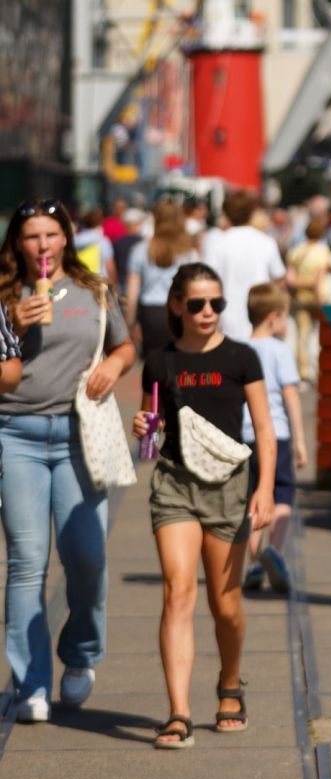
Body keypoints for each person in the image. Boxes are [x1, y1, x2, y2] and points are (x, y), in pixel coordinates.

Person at [0, 198, 136, 723]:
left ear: (67, 238)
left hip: (81, 437)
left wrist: (114, 367)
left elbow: (123, 345)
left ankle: (80, 654)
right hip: (17, 435)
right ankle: (30, 682)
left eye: (51, 236)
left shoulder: (94, 291)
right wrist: (10, 324)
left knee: (87, 557)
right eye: (32, 237)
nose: (42, 247)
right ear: (17, 242)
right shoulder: (4, 294)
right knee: (26, 562)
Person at [133, 262, 276, 748]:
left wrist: (266, 489)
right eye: (197, 304)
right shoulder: (159, 361)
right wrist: (143, 430)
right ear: (177, 306)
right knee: (177, 593)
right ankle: (178, 712)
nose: (208, 312)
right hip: (175, 483)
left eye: (217, 303)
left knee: (226, 605)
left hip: (229, 488)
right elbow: (151, 438)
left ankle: (230, 682)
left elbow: (264, 429)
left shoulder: (242, 358)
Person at [240, 283, 307, 594]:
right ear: (272, 317)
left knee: (252, 498)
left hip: (244, 435)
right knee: (282, 496)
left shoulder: (238, 348)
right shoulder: (280, 350)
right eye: (285, 318)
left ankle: (253, 563)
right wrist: (300, 441)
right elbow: (291, 398)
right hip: (276, 435)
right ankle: (275, 552)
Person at [125, 200, 202, 360]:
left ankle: (156, 386)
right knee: (181, 364)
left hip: (151, 314)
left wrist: (129, 323)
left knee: (154, 367)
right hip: (181, 312)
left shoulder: (140, 250)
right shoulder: (189, 252)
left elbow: (132, 293)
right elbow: (196, 287)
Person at [209, 191, 286, 339]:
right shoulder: (266, 242)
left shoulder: (218, 242)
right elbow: (279, 279)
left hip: (226, 318)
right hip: (260, 317)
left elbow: (209, 279)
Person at [286, 215, 329, 384]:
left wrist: (299, 285)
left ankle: (303, 371)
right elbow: (319, 279)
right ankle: (319, 369)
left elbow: (289, 279)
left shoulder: (296, 251)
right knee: (318, 336)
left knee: (302, 335)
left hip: (300, 298)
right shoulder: (322, 251)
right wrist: (316, 293)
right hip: (318, 298)